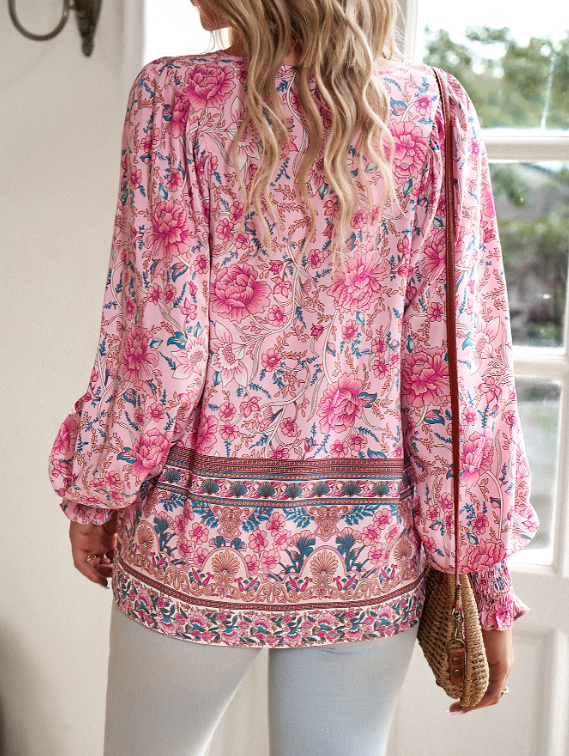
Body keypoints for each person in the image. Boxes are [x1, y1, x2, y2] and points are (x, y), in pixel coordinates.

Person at [48, 0, 540, 753]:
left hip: (195, 541)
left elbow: (161, 345)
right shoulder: (435, 107)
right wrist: (485, 579)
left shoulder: (174, 99)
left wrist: (97, 489)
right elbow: (458, 372)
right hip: (365, 553)